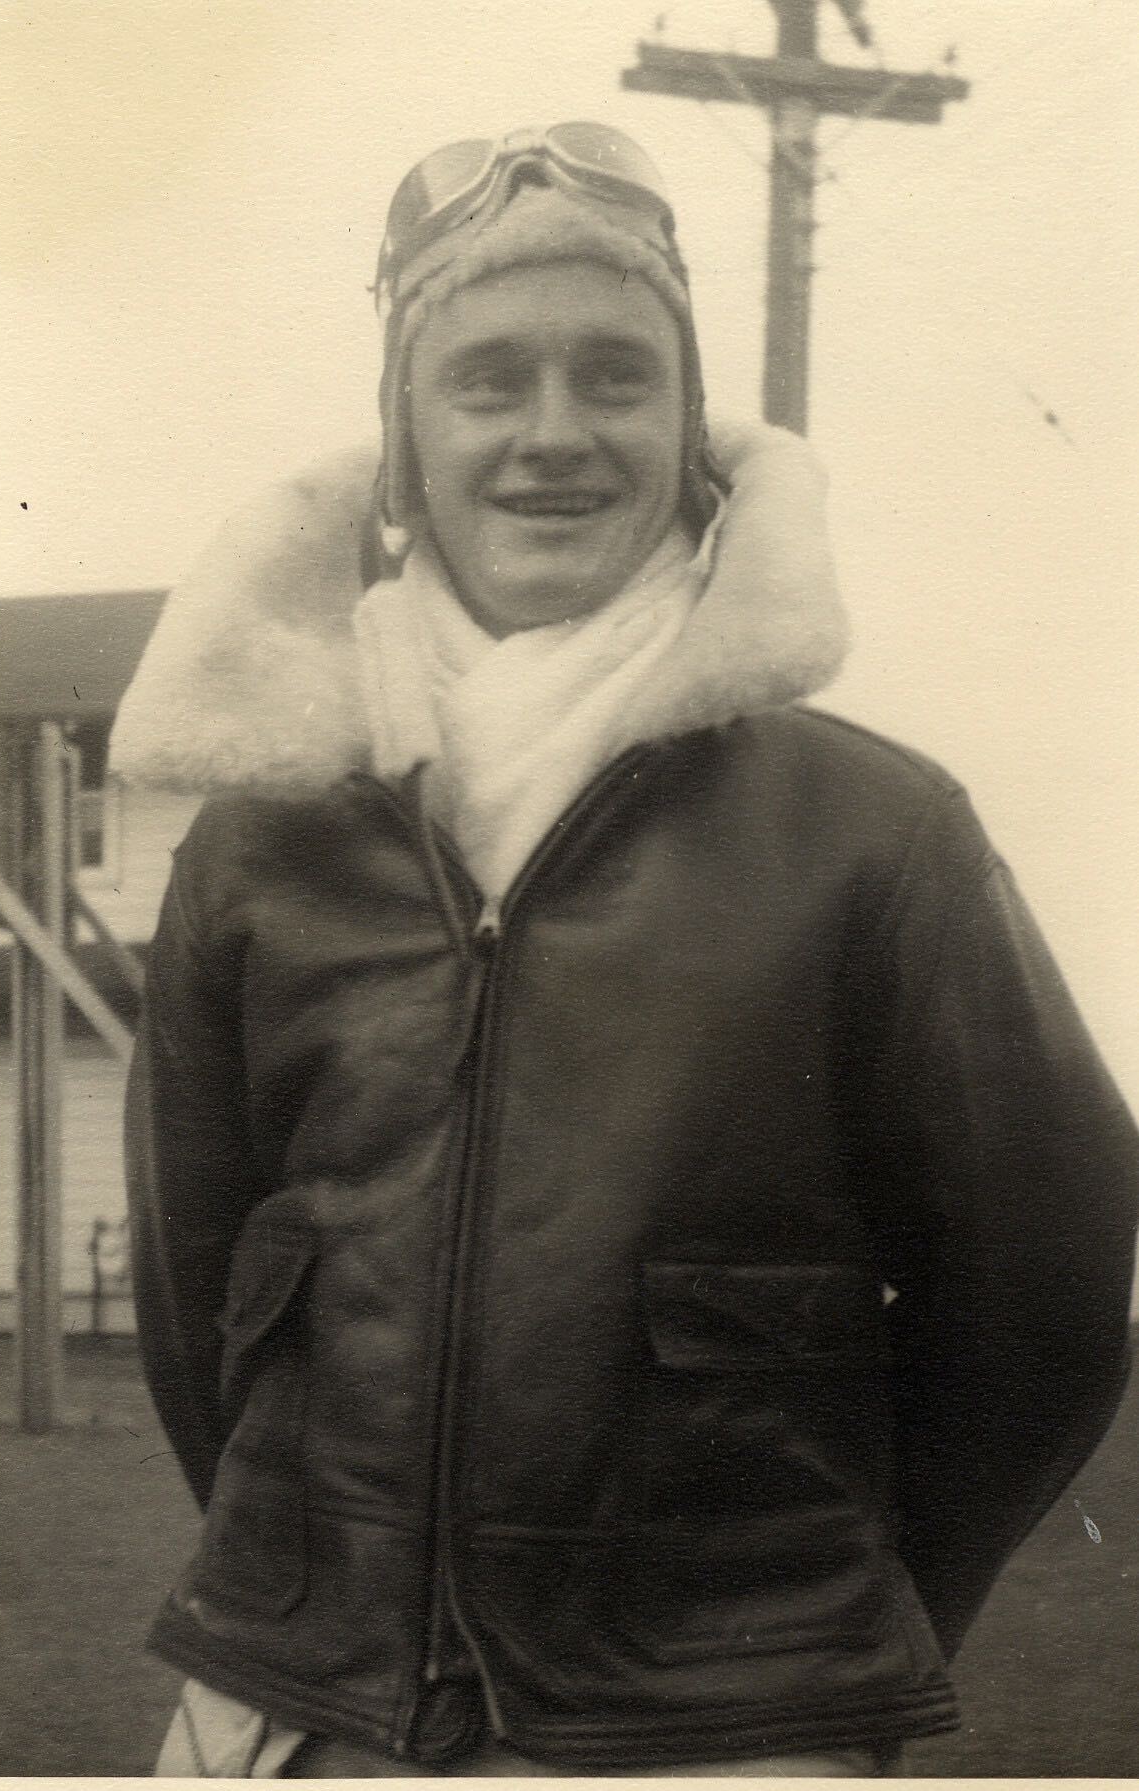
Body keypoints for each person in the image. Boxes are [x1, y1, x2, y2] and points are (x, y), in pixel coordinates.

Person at [112, 124, 1139, 1778]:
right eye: (485, 380)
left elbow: (1043, 1301)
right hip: (294, 1722)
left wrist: (814, 1644)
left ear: (690, 430)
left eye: (614, 376)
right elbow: (193, 1306)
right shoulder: (265, 840)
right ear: (399, 440)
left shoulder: (872, 834)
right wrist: (327, 1603)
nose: (551, 436)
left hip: (722, 1734)